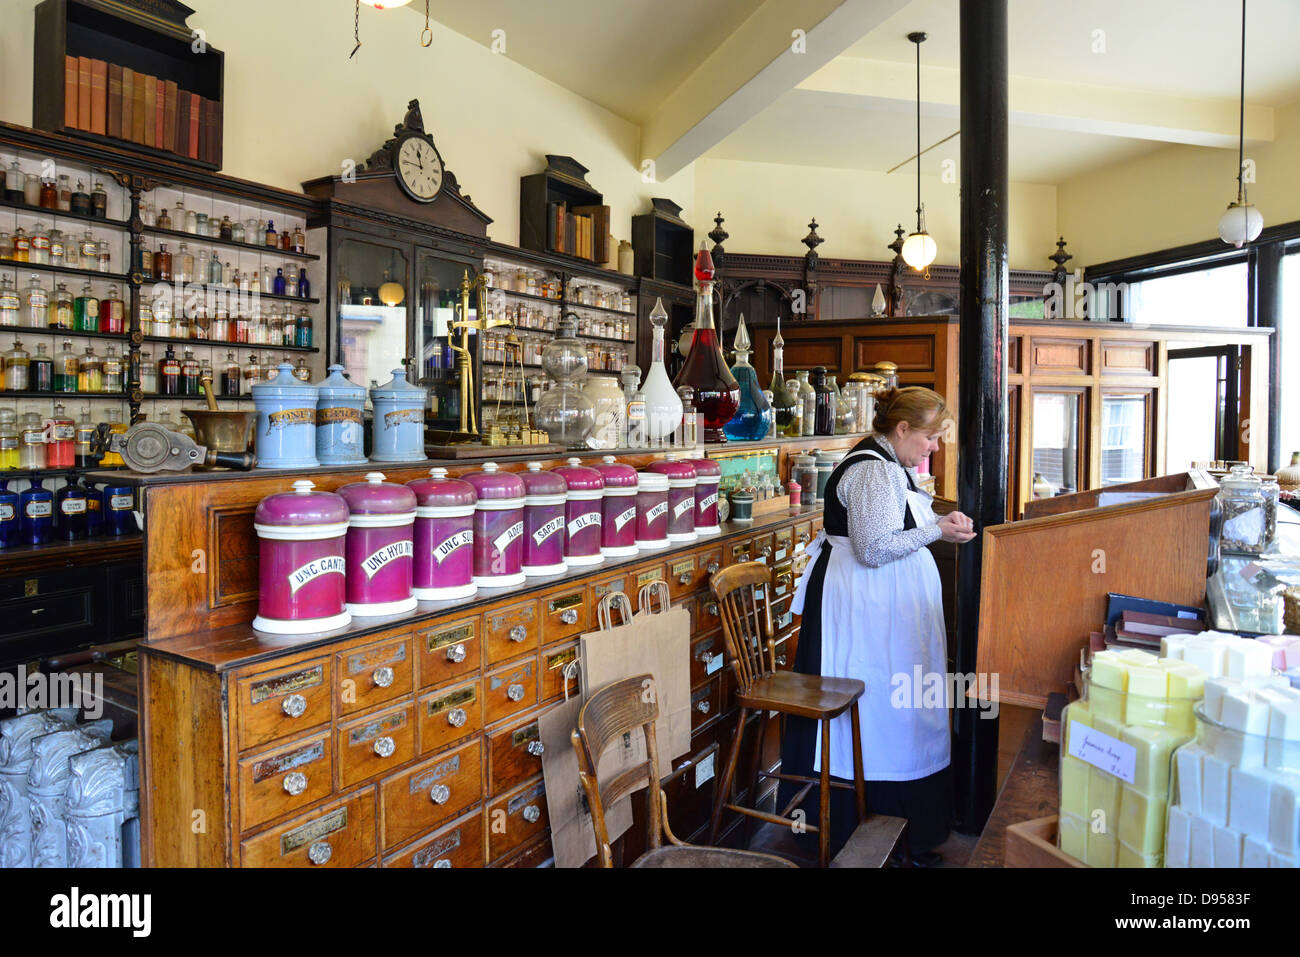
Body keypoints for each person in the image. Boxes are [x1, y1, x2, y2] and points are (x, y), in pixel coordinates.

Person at [779, 386, 975, 866]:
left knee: (898, 706)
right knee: (879, 704)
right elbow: (872, 547)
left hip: (879, 604)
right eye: (930, 437)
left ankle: (901, 825)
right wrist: (938, 532)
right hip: (861, 608)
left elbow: (893, 525)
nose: (934, 447)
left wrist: (938, 519)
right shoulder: (872, 470)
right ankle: (858, 822)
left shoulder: (892, 465)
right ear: (902, 429)